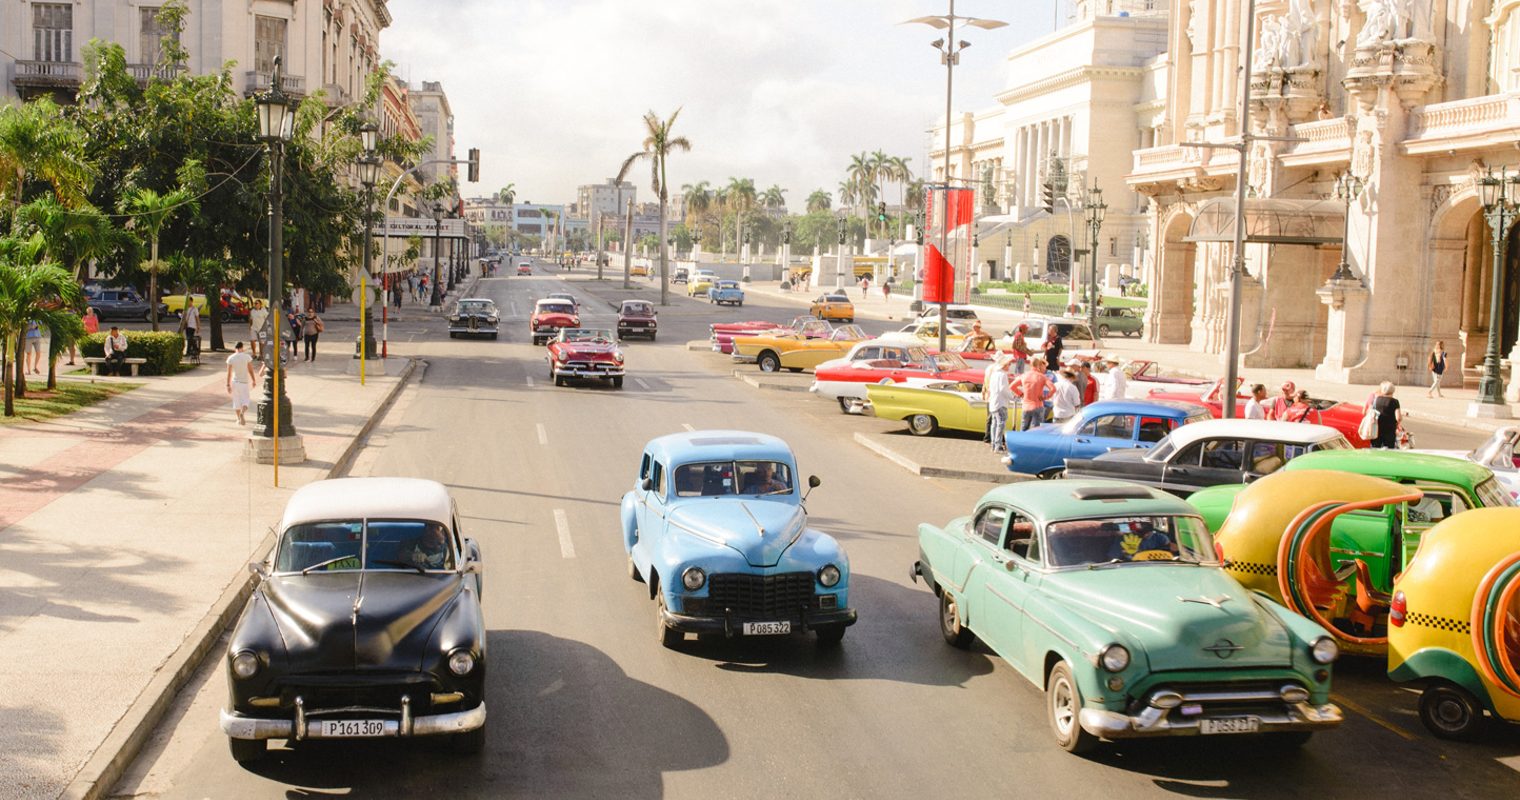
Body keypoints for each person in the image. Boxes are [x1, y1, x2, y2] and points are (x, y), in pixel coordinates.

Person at [1012, 357, 1054, 430]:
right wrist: (1046, 397)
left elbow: (1012, 386)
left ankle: (1022, 437)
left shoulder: (1024, 375)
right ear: (1039, 365)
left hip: (1026, 405)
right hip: (1038, 405)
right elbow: (1053, 388)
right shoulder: (1042, 377)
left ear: (1030, 364)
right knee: (1036, 430)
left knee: (1024, 428)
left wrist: (1021, 394)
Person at [983, 354, 1015, 452]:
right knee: (1000, 424)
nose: (1009, 366)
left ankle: (994, 444)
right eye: (1008, 364)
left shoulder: (994, 373)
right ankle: (998, 445)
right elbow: (1003, 389)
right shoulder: (1002, 375)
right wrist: (1012, 397)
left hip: (993, 401)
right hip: (1000, 402)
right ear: (1004, 365)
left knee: (994, 423)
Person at [225, 342, 258, 425]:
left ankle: (238, 419)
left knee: (236, 401)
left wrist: (228, 384)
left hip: (235, 382)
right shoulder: (247, 357)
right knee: (245, 400)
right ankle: (242, 412)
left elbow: (229, 373)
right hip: (244, 382)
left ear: (235, 348)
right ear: (242, 348)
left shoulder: (231, 358)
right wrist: (253, 380)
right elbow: (250, 370)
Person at [1368, 381, 1403, 449]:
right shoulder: (1395, 401)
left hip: (1376, 429)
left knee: (1375, 448)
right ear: (1392, 391)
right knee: (1389, 450)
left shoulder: (1376, 399)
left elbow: (1370, 412)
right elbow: (1398, 418)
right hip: (1389, 430)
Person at [180, 296, 201, 360]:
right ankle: (195, 348)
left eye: (189, 301)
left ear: (191, 301)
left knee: (189, 338)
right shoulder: (185, 309)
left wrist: (198, 327)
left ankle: (189, 351)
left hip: (192, 326)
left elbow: (197, 318)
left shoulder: (195, 309)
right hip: (187, 326)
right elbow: (183, 317)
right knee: (189, 338)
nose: (188, 303)